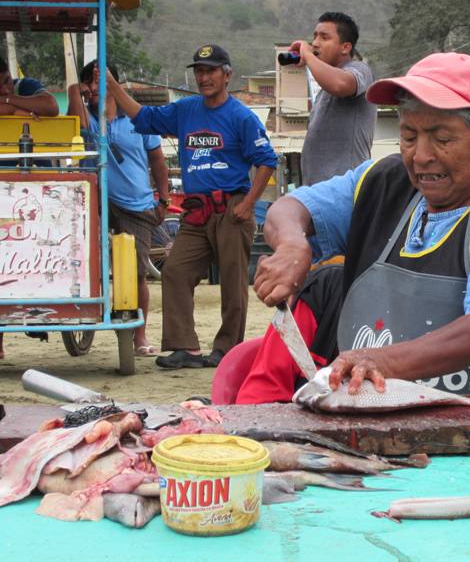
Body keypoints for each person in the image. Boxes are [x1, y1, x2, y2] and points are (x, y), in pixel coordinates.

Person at [232, 52, 470, 403]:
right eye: (409, 136)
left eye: (442, 139)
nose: (420, 156)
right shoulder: (380, 182)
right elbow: (290, 208)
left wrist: (380, 360)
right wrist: (291, 244)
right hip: (372, 417)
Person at [106, 44, 278, 369]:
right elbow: (143, 117)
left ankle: (227, 349)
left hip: (232, 207)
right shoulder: (185, 110)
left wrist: (249, 205)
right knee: (175, 271)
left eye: (211, 70)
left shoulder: (240, 116)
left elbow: (267, 161)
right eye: (199, 71)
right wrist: (115, 87)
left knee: (232, 281)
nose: (203, 77)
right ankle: (186, 347)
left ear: (227, 75)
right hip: (196, 211)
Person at [67, 60, 169, 357]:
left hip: (136, 202)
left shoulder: (138, 119)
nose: (94, 89)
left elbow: (158, 161)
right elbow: (73, 100)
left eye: (100, 82)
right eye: (91, 84)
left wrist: (162, 198)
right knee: (85, 266)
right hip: (95, 201)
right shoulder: (90, 120)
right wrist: (79, 87)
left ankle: (139, 336)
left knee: (136, 272)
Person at [0, 59, 62, 358]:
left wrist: (11, 102)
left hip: (38, 185)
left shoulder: (26, 86)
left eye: (6, 82)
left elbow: (51, 107)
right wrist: (20, 110)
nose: (5, 88)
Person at [289, 12, 377, 185]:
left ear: (345, 47)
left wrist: (307, 55)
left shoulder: (361, 70)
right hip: (318, 192)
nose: (315, 43)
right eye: (314, 37)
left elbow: (340, 85)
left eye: (324, 37)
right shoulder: (324, 91)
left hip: (344, 190)